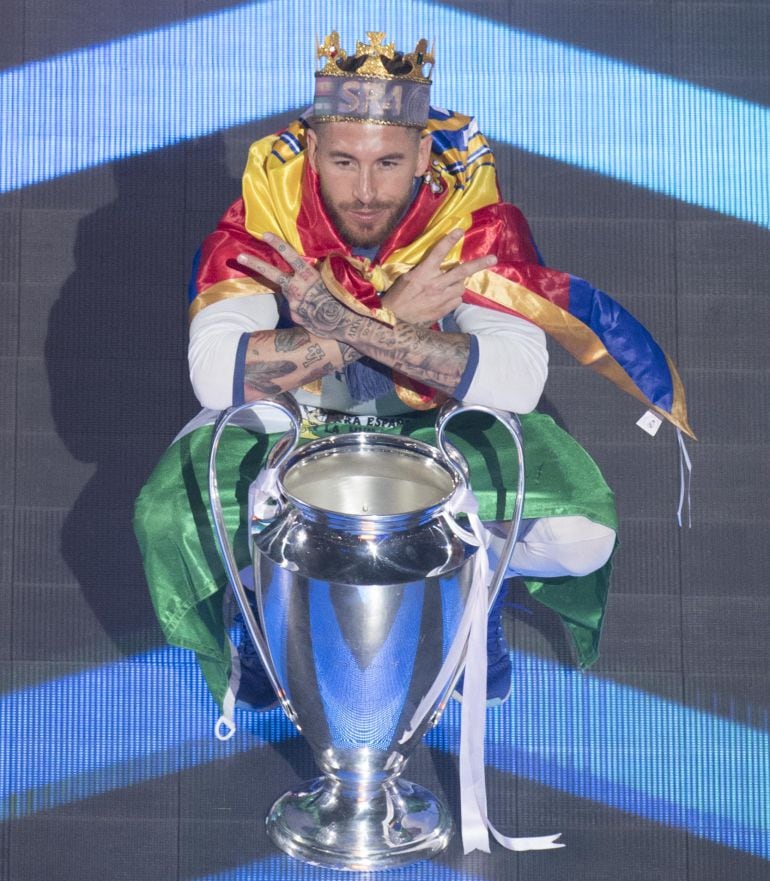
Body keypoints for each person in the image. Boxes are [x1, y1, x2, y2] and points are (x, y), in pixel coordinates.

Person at [134, 31, 691, 726]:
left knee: (581, 533)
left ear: (423, 154)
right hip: (302, 416)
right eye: (342, 161)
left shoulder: (469, 211)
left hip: (428, 418)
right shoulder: (267, 207)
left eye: (389, 163)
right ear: (312, 150)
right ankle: (263, 605)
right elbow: (217, 377)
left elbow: (516, 378)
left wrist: (346, 327)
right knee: (172, 513)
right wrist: (396, 316)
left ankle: (476, 586)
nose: (365, 191)